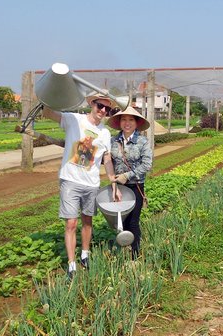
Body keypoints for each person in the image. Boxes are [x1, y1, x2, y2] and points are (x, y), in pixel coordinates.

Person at [43, 93, 120, 279]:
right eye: (100, 106)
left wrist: (114, 183)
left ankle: (85, 254)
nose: (103, 111)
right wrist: (50, 94)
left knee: (88, 221)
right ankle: (71, 264)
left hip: (91, 183)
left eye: (107, 109)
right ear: (92, 104)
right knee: (71, 222)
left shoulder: (105, 132)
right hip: (70, 180)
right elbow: (48, 113)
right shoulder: (73, 120)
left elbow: (107, 159)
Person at [107, 106, 153, 259]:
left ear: (137, 122)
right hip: (118, 188)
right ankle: (123, 252)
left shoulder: (142, 141)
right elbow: (108, 162)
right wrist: (114, 185)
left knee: (133, 221)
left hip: (135, 187)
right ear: (119, 122)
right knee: (121, 222)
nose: (127, 123)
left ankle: (135, 255)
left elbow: (147, 165)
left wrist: (127, 175)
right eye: (124, 119)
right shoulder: (113, 141)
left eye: (131, 120)